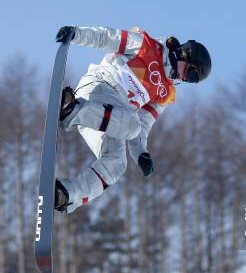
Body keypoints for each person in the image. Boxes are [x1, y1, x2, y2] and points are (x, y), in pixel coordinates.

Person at [53, 25, 212, 213]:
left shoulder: (165, 93)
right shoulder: (147, 46)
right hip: (99, 88)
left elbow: (144, 124)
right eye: (192, 74)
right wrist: (77, 34)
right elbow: (106, 37)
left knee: (116, 164)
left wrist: (140, 153)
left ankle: (66, 195)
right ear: (185, 54)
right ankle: (70, 110)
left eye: (192, 80)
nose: (186, 79)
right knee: (130, 124)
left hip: (106, 117)